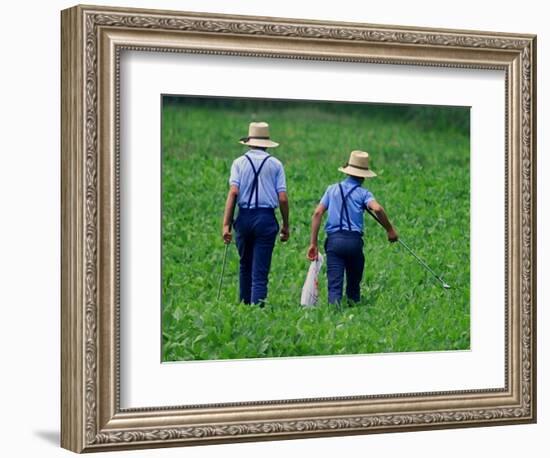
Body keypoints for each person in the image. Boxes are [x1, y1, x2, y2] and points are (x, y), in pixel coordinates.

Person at [307, 150, 398, 305]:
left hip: (334, 242)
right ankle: (353, 308)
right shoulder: (364, 193)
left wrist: (313, 243)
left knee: (334, 286)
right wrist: (390, 229)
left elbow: (317, 213)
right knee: (353, 285)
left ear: (348, 171)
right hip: (354, 242)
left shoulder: (332, 189)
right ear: (363, 175)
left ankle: (334, 317)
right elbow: (377, 209)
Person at [222, 122, 290, 306]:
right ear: (267, 143)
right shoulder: (276, 164)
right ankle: (257, 311)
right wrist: (285, 225)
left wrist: (226, 225)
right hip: (266, 219)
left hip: (243, 218)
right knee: (260, 271)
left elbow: (233, 193)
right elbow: (282, 198)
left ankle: (244, 307)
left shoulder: (238, 163)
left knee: (245, 265)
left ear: (249, 142)